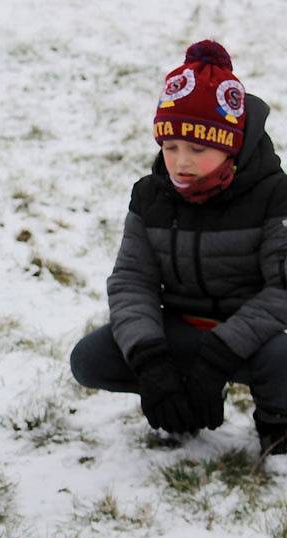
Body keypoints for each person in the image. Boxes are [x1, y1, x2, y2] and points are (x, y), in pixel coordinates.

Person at [70, 40, 287, 455]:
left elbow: (282, 291)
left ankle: (278, 426)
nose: (181, 161)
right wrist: (154, 366)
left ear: (232, 146)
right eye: (170, 147)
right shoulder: (151, 196)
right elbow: (132, 281)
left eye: (198, 149)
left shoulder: (276, 195)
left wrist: (218, 359)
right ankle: (178, 407)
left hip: (258, 336)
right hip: (183, 329)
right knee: (90, 358)